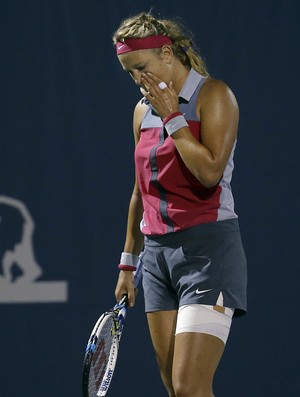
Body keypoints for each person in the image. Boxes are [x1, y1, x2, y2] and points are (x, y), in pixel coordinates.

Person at [113, 11, 247, 397]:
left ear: (168, 54)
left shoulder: (215, 96)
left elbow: (209, 173)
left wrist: (174, 116)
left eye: (141, 67)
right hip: (155, 261)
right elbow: (141, 191)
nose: (138, 80)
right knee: (175, 391)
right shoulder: (141, 111)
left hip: (208, 253)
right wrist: (128, 262)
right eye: (129, 73)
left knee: (190, 387)